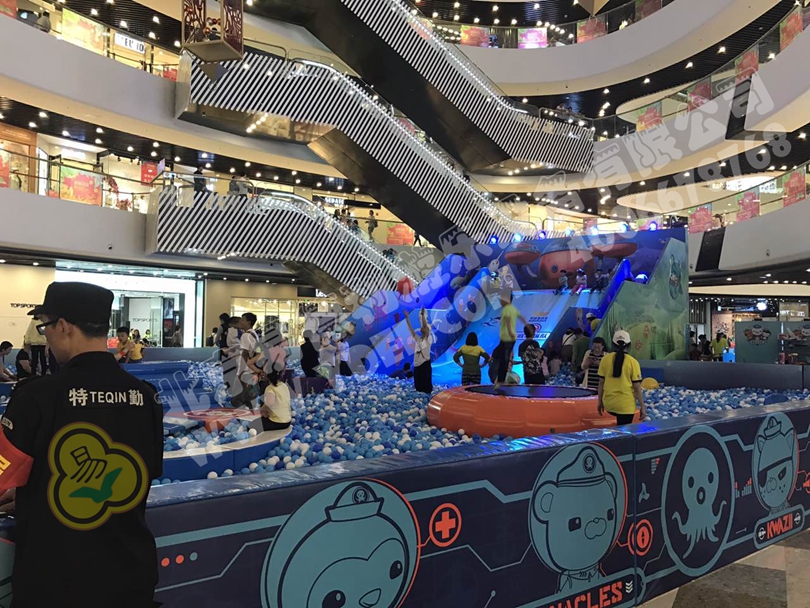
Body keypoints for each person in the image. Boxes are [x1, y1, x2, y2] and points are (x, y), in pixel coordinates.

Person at [0, 281, 163, 607]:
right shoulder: (146, 397)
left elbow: (2, 474)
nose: (45, 336)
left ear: (63, 326)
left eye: (44, 326)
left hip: (55, 581)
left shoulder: (36, 396)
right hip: (130, 577)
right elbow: (143, 474)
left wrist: (31, 493)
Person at [597, 330, 646, 426]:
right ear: (629, 345)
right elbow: (637, 388)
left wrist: (600, 402)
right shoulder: (633, 362)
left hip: (609, 404)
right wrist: (642, 407)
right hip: (625, 406)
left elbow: (601, 383)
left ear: (613, 344)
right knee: (624, 432)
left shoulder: (605, 359)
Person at [493, 291, 529, 391]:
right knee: (503, 358)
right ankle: (500, 380)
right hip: (509, 339)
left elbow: (508, 320)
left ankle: (500, 381)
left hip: (507, 338)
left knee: (504, 360)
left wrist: (510, 331)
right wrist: (527, 325)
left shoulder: (506, 309)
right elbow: (520, 317)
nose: (500, 301)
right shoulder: (513, 308)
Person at [231, 313, 260, 408]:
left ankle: (243, 414)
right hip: (252, 369)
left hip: (246, 371)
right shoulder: (254, 334)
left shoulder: (245, 335)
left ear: (249, 322)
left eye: (243, 320)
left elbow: (245, 354)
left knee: (237, 399)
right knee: (249, 398)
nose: (240, 322)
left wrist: (240, 372)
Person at [405, 308, 433, 394]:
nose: (423, 328)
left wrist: (422, 316)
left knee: (426, 386)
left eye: (425, 328)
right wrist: (407, 318)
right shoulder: (418, 339)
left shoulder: (428, 339)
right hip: (417, 364)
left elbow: (424, 325)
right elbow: (411, 330)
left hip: (425, 364)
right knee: (418, 385)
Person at [257, 367, 292, 432]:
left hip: (276, 422)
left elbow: (269, 403)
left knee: (252, 425)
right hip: (287, 421)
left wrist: (261, 410)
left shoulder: (270, 388)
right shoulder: (284, 385)